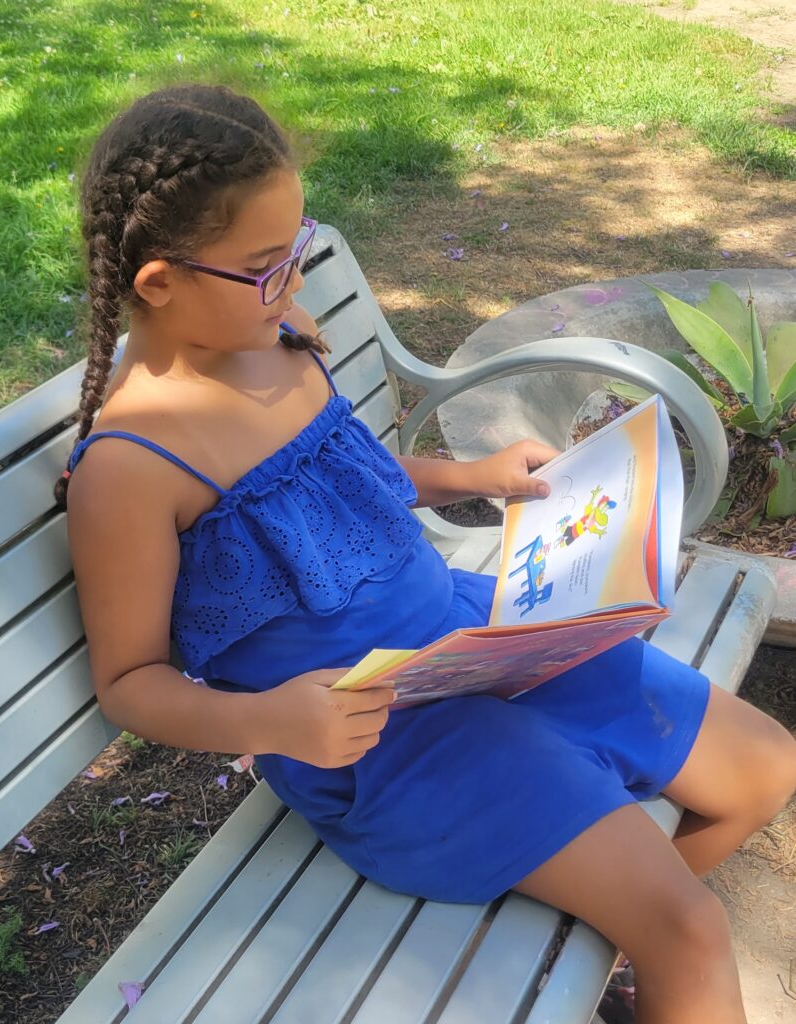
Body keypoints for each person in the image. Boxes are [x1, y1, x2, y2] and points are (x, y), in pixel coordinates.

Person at [57, 84, 796, 1024]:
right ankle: (630, 952)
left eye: (299, 249)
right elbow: (128, 682)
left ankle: (584, 972)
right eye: (266, 266)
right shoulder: (129, 467)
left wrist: (470, 473)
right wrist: (276, 723)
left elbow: (345, 481)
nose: (293, 280)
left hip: (475, 639)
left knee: (765, 770)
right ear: (159, 282)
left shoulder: (279, 338)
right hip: (376, 737)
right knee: (688, 930)